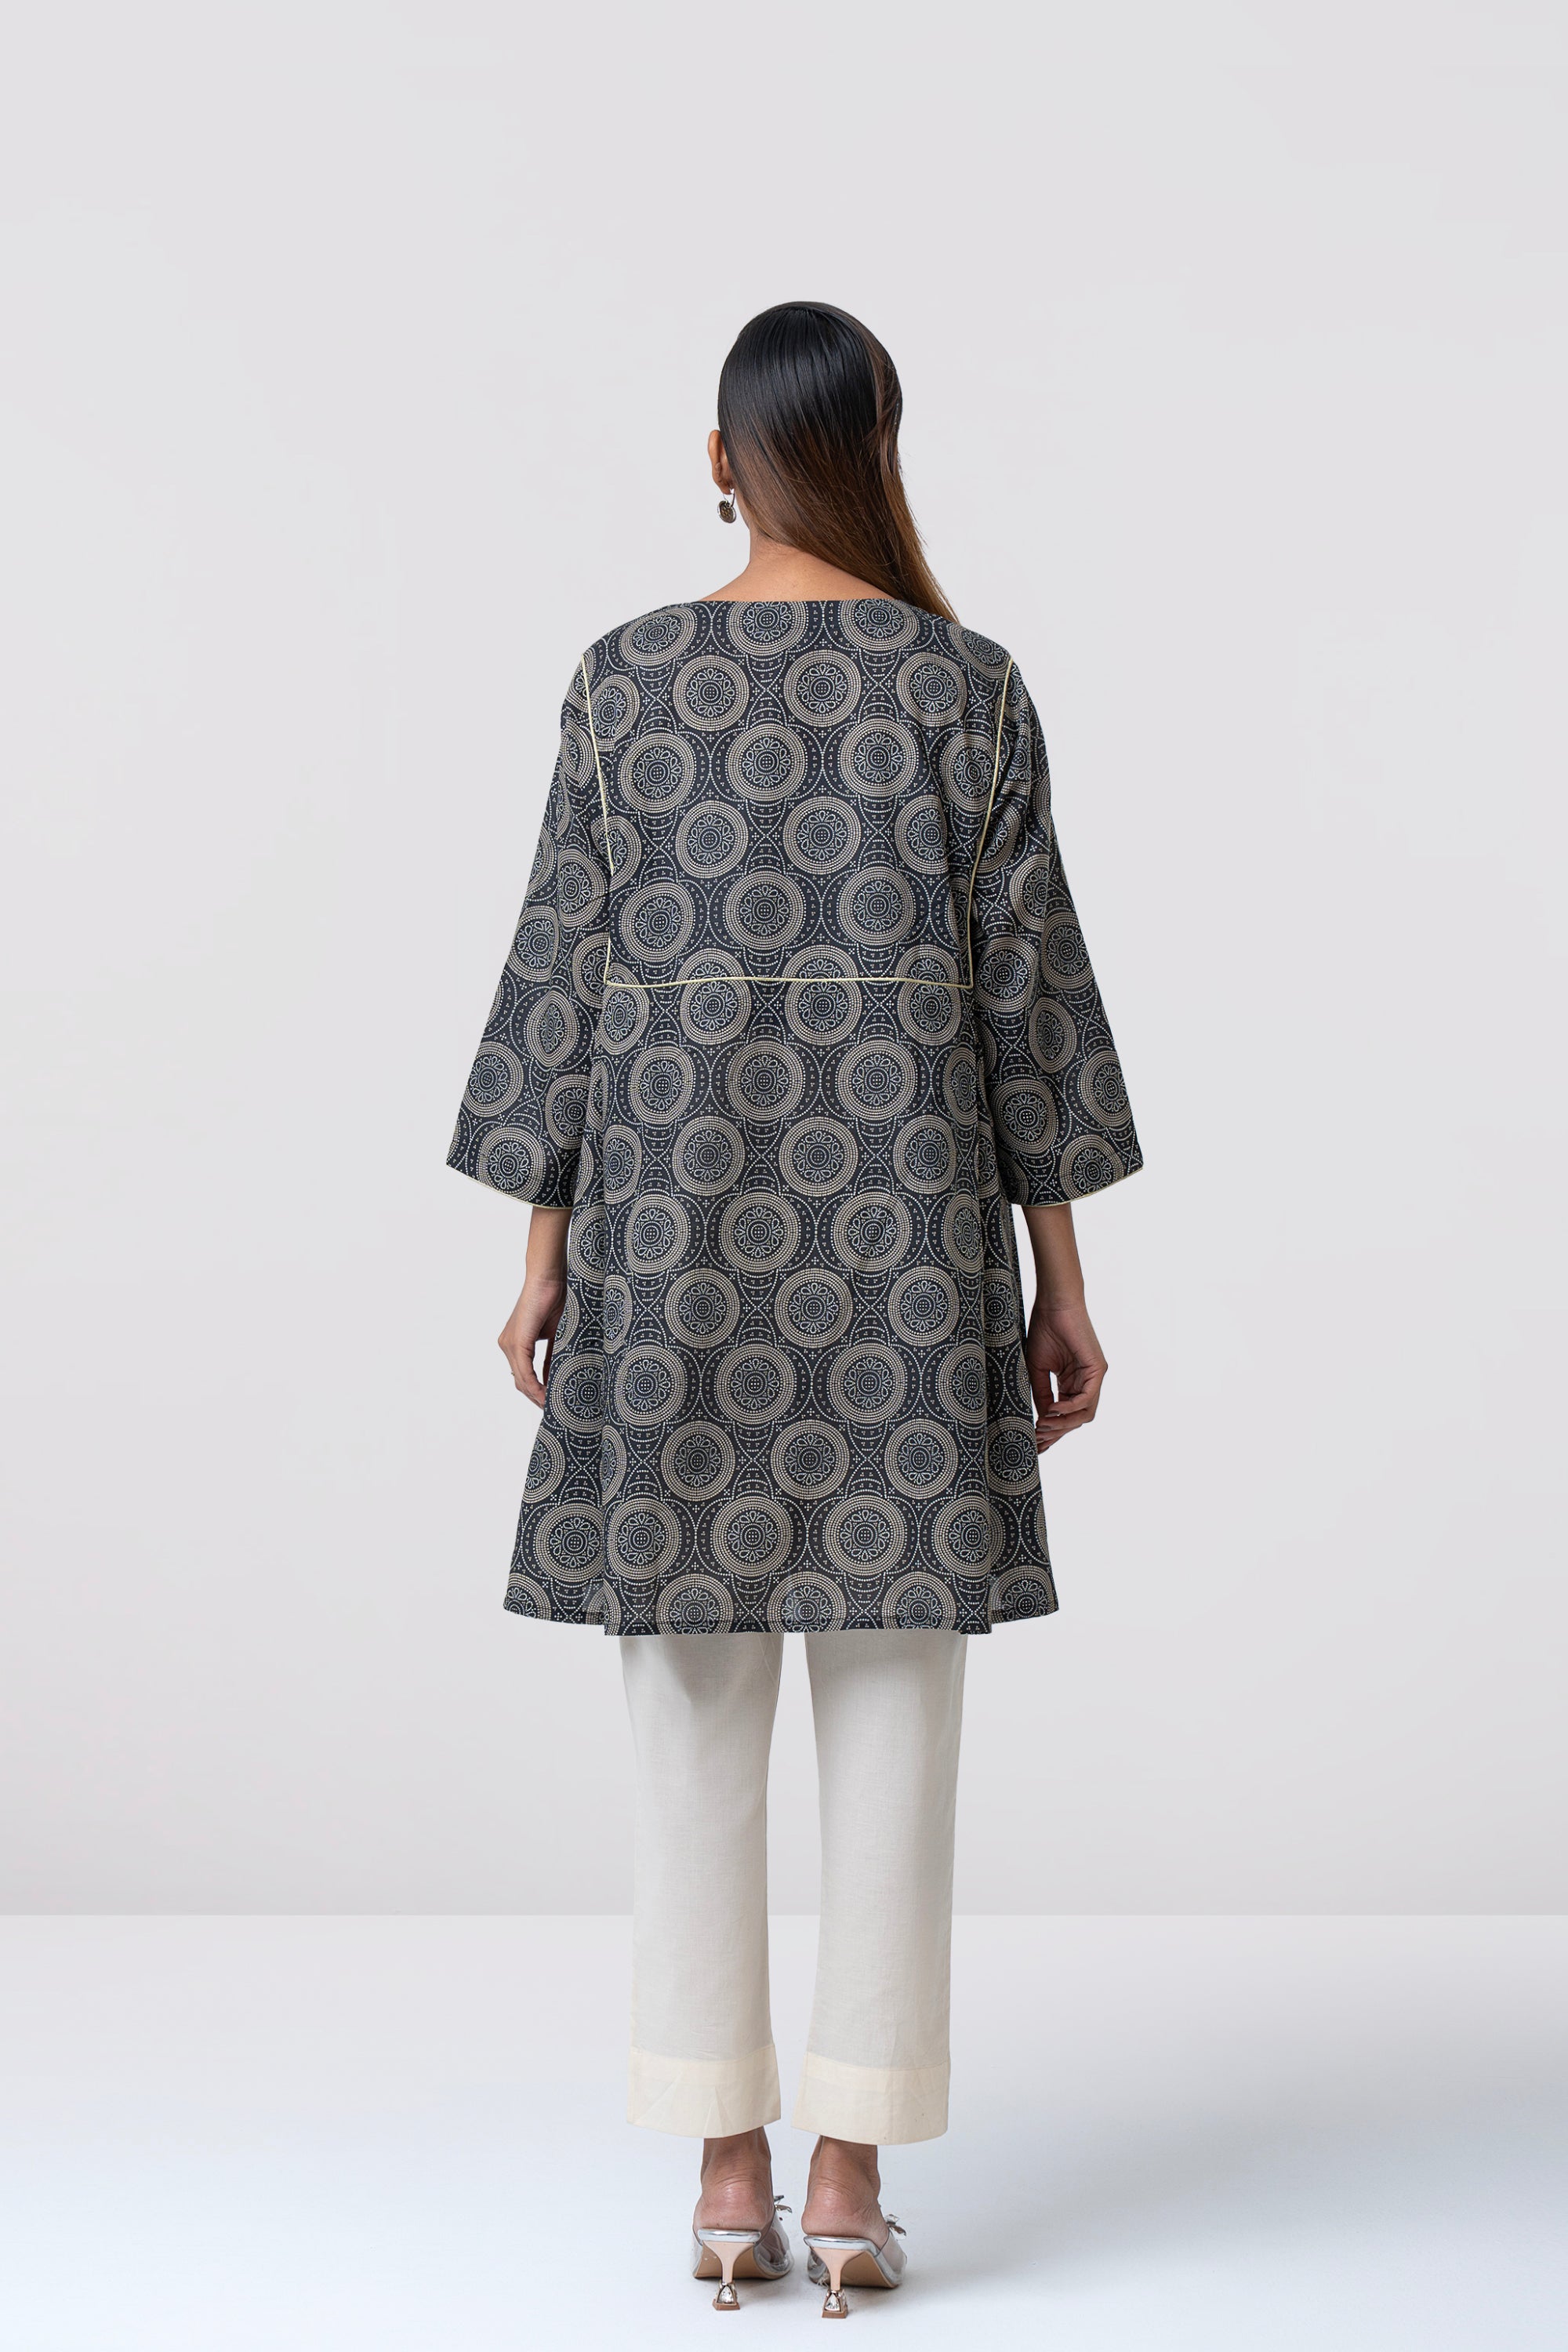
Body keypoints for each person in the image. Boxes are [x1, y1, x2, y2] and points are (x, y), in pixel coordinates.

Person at [448, 301, 1142, 2317]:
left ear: (719, 459)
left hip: (672, 1244)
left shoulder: (624, 680)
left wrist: (542, 1249)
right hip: (906, 1255)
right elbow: (1029, 1001)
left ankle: (723, 2177)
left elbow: (565, 971)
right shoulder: (966, 689)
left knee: (688, 1709)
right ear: (876, 449)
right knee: (898, 1707)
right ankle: (847, 2182)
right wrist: (1061, 1278)